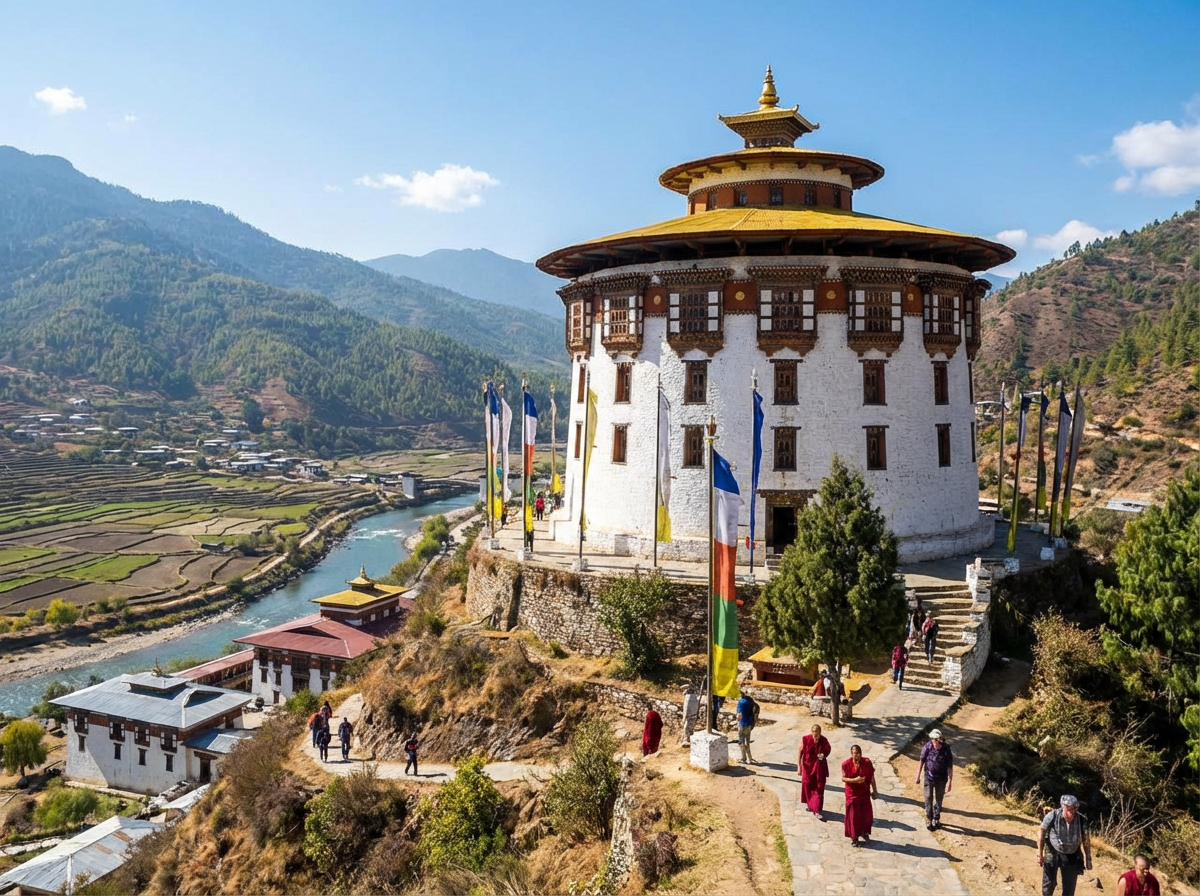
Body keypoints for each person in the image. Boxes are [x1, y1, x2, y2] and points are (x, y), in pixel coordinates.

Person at [1038, 794, 1092, 896]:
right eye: (1068, 809)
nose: (1071, 812)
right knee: (1049, 883)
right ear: (1063, 807)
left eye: (1073, 809)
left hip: (1072, 852)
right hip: (1053, 850)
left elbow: (1086, 839)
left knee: (1069, 887)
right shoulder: (1052, 816)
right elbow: (1041, 831)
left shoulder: (1081, 819)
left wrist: (1088, 858)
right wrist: (1039, 854)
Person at [915, 728, 953, 830]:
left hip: (941, 778)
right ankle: (929, 818)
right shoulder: (927, 747)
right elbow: (921, 761)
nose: (934, 741)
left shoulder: (946, 749)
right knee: (928, 798)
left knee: (939, 799)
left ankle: (936, 818)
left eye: (936, 739)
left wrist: (949, 782)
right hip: (929, 777)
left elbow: (950, 766)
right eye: (932, 739)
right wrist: (918, 775)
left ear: (940, 738)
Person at [841, 744, 877, 847]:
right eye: (854, 753)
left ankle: (863, 831)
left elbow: (871, 777)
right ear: (851, 754)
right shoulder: (846, 764)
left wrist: (875, 790)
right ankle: (854, 837)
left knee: (867, 815)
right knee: (853, 816)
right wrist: (854, 780)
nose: (855, 755)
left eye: (857, 753)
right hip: (852, 793)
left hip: (864, 793)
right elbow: (843, 778)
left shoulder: (867, 763)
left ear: (861, 754)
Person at [798, 723, 831, 821]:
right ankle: (811, 805)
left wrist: (823, 755)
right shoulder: (806, 739)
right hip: (807, 767)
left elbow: (828, 750)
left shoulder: (824, 741)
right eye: (813, 733)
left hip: (819, 768)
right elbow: (800, 751)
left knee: (819, 788)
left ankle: (817, 810)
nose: (815, 736)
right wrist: (799, 766)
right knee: (808, 786)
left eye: (817, 734)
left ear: (820, 733)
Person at [736, 694, 758, 763]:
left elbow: (739, 715)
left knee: (741, 742)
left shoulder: (741, 702)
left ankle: (744, 758)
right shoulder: (750, 701)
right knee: (747, 742)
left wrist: (737, 720)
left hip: (742, 724)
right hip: (749, 724)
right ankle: (750, 758)